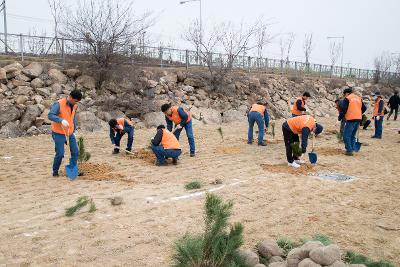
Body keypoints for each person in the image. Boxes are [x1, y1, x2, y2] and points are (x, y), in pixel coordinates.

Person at [48, 90, 82, 177]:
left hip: (69, 133)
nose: (76, 103)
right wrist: (61, 120)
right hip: (58, 133)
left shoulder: (74, 105)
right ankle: (55, 171)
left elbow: (73, 117)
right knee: (60, 153)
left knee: (75, 152)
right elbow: (50, 115)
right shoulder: (59, 104)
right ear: (70, 97)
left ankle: (72, 171)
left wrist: (73, 129)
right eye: (75, 101)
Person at [338, 87, 367, 156]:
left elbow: (343, 110)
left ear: (347, 93)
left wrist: (339, 119)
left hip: (351, 119)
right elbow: (364, 108)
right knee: (352, 135)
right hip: (358, 118)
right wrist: (358, 113)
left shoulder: (347, 98)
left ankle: (349, 151)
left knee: (346, 136)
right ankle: (353, 148)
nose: (344, 96)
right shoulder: (358, 98)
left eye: (344, 94)